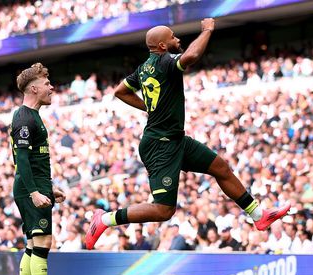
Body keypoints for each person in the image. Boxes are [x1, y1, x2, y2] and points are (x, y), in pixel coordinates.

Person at [86, 18, 290, 249]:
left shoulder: (144, 68)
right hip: (160, 144)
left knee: (220, 167)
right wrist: (207, 30)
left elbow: (121, 91)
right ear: (162, 46)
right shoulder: (164, 62)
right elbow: (191, 57)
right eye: (173, 37)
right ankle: (104, 219)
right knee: (163, 210)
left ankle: (258, 215)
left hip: (174, 139)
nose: (177, 39)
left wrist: (150, 108)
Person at [9, 63, 65, 275]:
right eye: (46, 83)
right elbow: (21, 160)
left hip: (39, 185)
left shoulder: (34, 116)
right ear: (34, 88)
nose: (51, 87)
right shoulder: (24, 118)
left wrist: (48, 187)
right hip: (30, 188)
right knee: (44, 240)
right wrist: (33, 191)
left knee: (33, 243)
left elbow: (35, 159)